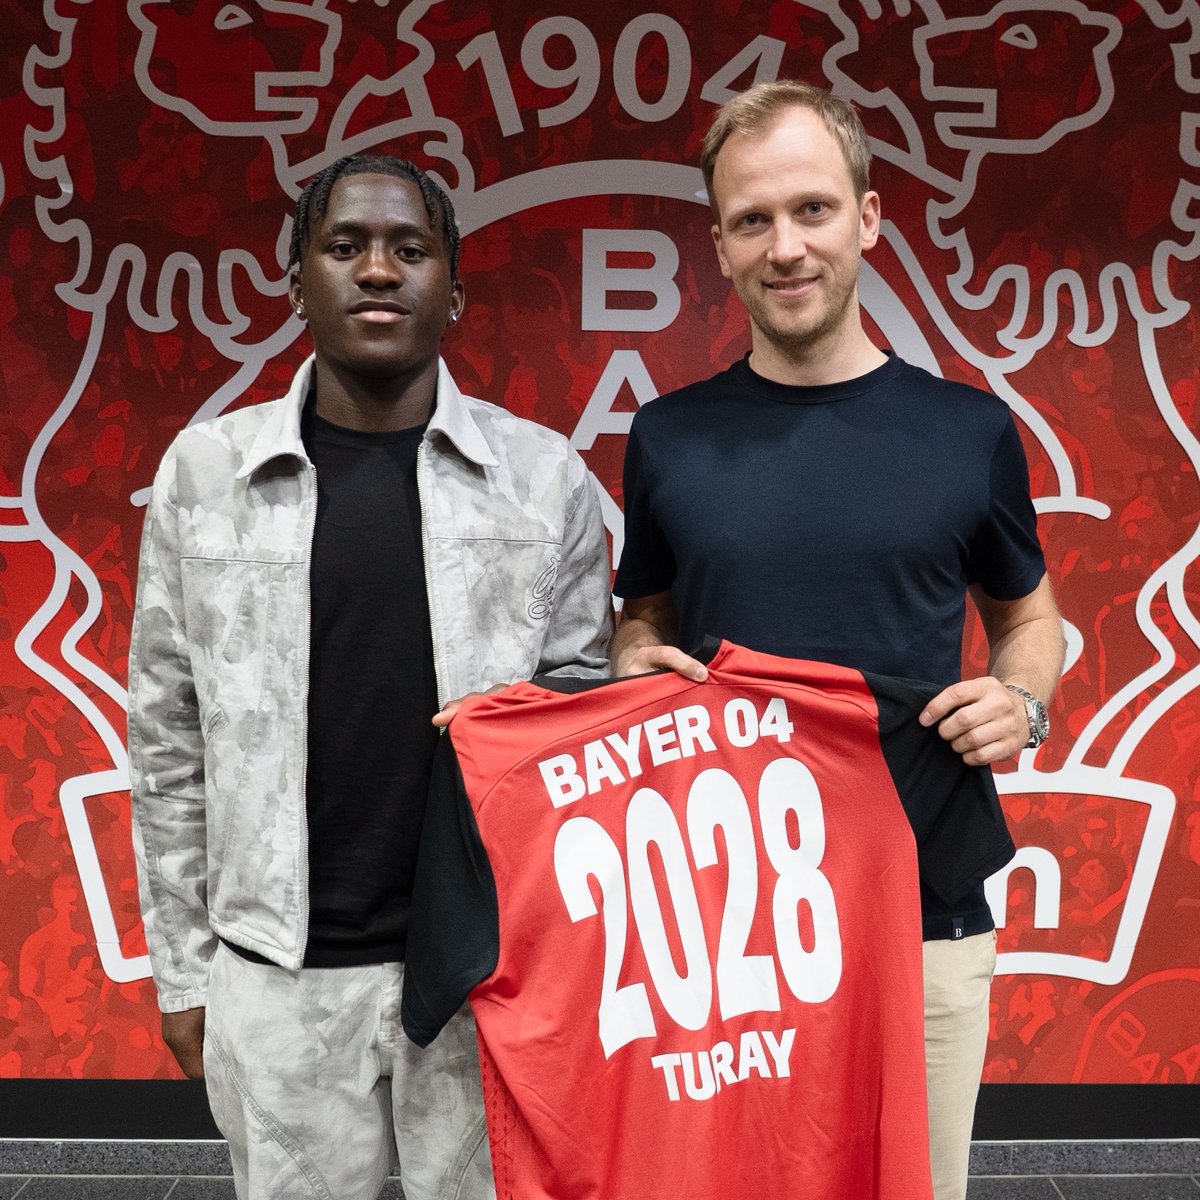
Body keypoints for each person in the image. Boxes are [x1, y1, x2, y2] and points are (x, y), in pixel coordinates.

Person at [128, 153, 613, 1200]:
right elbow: (167, 738)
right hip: (277, 979)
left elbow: (590, 709)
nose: (379, 270)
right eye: (344, 246)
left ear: (454, 290)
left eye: (410, 248)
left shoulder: (543, 479)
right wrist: (184, 969)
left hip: (489, 976)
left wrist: (526, 717)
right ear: (298, 283)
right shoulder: (206, 476)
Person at [611, 82, 1065, 1200]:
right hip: (724, 926)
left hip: (924, 907)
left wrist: (1021, 701)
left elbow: (1030, 618)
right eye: (753, 220)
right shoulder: (667, 438)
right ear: (719, 244)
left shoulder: (969, 430)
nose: (786, 247)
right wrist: (632, 665)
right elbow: (645, 617)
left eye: (812, 209)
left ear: (867, 216)